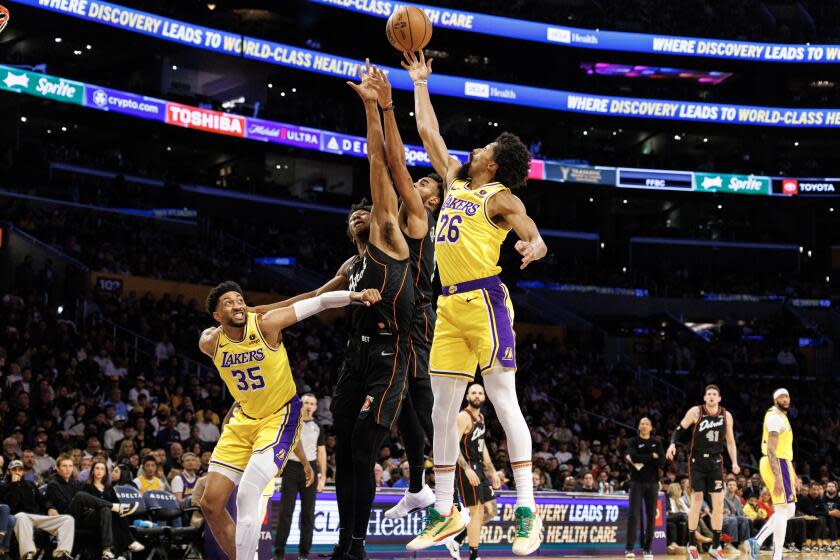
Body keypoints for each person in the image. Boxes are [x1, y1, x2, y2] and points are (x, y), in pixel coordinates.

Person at [402, 50, 547, 556]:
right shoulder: (456, 179)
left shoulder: (500, 197)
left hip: (486, 301)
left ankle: (528, 510)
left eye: (484, 146)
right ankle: (445, 512)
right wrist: (420, 83)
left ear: (494, 163)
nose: (476, 146)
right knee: (441, 412)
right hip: (448, 307)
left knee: (504, 402)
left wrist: (536, 245)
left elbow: (530, 227)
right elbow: (428, 133)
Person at [198, 282, 374, 560]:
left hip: (280, 416)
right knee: (210, 503)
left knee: (248, 494)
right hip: (243, 420)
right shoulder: (210, 342)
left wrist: (355, 295)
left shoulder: (267, 324)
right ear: (217, 316)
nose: (237, 305)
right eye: (228, 303)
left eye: (240, 299)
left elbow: (319, 303)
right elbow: (207, 335)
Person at [368, 65, 445, 522]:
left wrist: (386, 105)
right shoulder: (407, 220)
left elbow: (394, 164)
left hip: (415, 314)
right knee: (405, 406)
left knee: (418, 401)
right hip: (406, 312)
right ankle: (422, 485)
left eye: (423, 185)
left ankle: (441, 489)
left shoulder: (418, 217)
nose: (415, 185)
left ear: (431, 200)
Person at [666, 385, 740, 560]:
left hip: (715, 462)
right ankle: (691, 544)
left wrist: (735, 462)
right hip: (697, 461)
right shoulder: (696, 412)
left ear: (719, 398)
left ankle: (715, 546)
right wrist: (672, 443)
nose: (712, 397)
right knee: (697, 501)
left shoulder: (726, 415)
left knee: (719, 504)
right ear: (705, 398)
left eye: (715, 394)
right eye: (709, 394)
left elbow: (730, 442)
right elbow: (679, 429)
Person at [446, 384, 500, 560]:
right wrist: (466, 469)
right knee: (476, 511)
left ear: (484, 397)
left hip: (479, 468)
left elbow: (482, 447)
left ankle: (457, 539)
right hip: (466, 468)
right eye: (473, 392)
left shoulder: (481, 418)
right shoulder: (463, 417)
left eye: (480, 393)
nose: (477, 395)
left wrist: (491, 471)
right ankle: (473, 555)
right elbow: (452, 445)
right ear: (467, 396)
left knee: (491, 511)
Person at [273, 393, 326, 560]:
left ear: (316, 407)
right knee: (285, 512)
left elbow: (322, 452)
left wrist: (323, 475)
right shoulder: (291, 423)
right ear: (300, 405)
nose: (309, 406)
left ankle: (304, 553)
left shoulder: (318, 427)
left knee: (308, 513)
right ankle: (279, 553)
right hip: (290, 467)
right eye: (306, 403)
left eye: (312, 403)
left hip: (310, 469)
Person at [747, 389, 796, 560]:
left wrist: (793, 474)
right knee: (783, 510)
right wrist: (778, 477)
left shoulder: (782, 416)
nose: (785, 399)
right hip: (776, 463)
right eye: (782, 397)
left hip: (784, 463)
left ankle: (757, 541)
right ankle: (777, 555)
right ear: (775, 400)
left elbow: (784, 449)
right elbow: (771, 450)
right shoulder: (775, 417)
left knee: (790, 510)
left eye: (787, 396)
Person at [6, 459, 75, 560]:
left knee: (68, 519)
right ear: (8, 471)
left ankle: (62, 554)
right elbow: (10, 506)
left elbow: (43, 500)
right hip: (20, 518)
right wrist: (14, 485)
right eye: (14, 470)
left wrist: (50, 508)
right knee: (21, 516)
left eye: (20, 469)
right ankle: (28, 554)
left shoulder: (30, 485)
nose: (17, 472)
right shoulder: (4, 486)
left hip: (37, 517)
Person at [77, 460, 144, 558]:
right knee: (108, 508)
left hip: (107, 517)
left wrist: (116, 508)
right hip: (90, 517)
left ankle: (121, 548)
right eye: (97, 468)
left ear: (105, 472)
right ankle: (123, 545)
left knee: (117, 510)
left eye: (102, 469)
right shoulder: (86, 487)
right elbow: (84, 507)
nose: (99, 471)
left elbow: (118, 506)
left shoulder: (109, 488)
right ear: (92, 471)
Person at [625, 417, 665, 560]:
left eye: (647, 423)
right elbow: (634, 458)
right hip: (636, 482)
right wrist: (651, 456)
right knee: (633, 515)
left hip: (653, 483)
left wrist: (647, 457)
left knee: (651, 517)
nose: (644, 425)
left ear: (651, 427)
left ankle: (647, 549)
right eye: (642, 423)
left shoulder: (657, 442)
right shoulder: (632, 442)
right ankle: (629, 548)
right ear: (639, 426)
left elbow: (662, 461)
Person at [723, 480, 752, 555]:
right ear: (726, 486)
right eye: (729, 484)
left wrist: (746, 516)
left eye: (733, 485)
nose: (731, 486)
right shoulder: (723, 497)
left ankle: (742, 543)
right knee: (733, 519)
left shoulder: (738, 499)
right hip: (724, 518)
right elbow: (722, 510)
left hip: (735, 518)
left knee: (744, 519)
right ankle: (728, 545)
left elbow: (741, 512)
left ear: (736, 488)